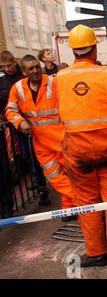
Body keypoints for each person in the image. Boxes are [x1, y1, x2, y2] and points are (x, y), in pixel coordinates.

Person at [56, 24, 107, 270]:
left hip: (78, 153)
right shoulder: (106, 74)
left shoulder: (58, 79)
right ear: (94, 49)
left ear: (73, 52)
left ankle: (95, 254)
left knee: (87, 203)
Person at [5, 55, 75, 219]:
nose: (36, 70)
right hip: (41, 144)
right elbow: (10, 110)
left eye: (37, 66)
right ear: (23, 71)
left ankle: (70, 208)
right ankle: (82, 203)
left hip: (63, 140)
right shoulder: (18, 88)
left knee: (72, 176)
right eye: (31, 68)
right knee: (55, 178)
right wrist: (20, 122)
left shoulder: (54, 83)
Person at [0, 50, 49, 206]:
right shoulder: (7, 84)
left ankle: (43, 186)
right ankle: (40, 185)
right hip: (20, 127)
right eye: (3, 66)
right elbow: (9, 108)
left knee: (41, 158)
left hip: (43, 128)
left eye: (8, 65)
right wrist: (18, 121)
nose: (6, 69)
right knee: (29, 157)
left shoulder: (27, 79)